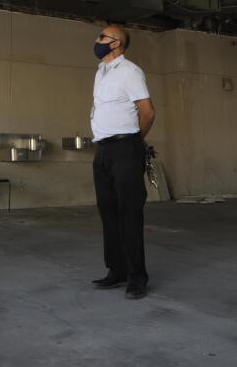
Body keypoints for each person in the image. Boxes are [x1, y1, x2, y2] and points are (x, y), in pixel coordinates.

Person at [89, 24, 155, 299]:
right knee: (108, 212)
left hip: (125, 148)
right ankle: (116, 270)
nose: (97, 40)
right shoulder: (101, 72)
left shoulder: (130, 72)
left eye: (103, 37)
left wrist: (134, 142)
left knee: (129, 213)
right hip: (103, 151)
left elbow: (148, 112)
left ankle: (137, 277)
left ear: (117, 44)